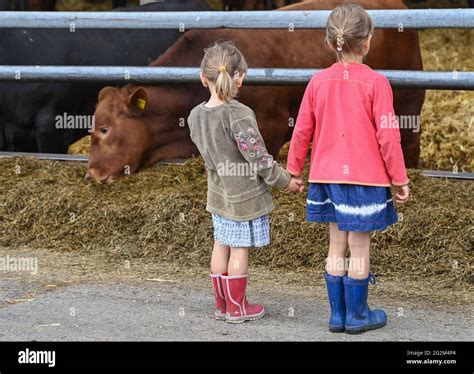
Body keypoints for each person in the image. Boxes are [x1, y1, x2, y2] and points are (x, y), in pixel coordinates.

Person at [287, 3, 410, 334]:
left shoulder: (317, 82)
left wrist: (294, 171)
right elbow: (388, 136)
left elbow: (301, 131)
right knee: (359, 246)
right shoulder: (377, 83)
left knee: (335, 244)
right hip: (364, 180)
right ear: (368, 41)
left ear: (330, 43)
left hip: (326, 179)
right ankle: (357, 315)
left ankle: (337, 315)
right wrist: (399, 178)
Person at [188, 41, 304, 324]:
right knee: (239, 247)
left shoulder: (194, 117)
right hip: (243, 196)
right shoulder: (239, 115)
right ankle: (238, 308)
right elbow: (258, 158)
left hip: (217, 194)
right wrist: (283, 181)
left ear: (204, 78)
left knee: (221, 244)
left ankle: (222, 304)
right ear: (240, 77)